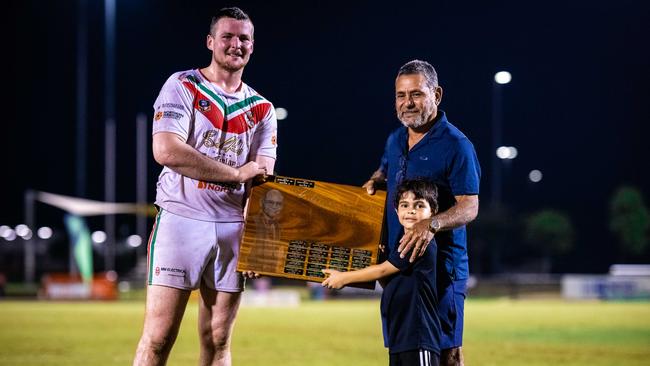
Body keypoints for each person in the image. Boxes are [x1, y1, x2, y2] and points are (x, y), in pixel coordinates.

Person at [133, 7, 277, 366]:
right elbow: (166, 149)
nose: (235, 44)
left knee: (218, 340)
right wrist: (234, 174)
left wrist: (257, 238)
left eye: (244, 38)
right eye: (227, 36)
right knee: (158, 338)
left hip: (232, 228)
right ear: (210, 42)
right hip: (181, 220)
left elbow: (261, 178)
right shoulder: (183, 85)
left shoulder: (262, 109)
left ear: (253, 46)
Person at [363, 60, 480, 366]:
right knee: (405, 352)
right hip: (399, 267)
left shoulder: (457, 145)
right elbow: (387, 171)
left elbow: (470, 205)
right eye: (400, 96)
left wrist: (433, 223)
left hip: (441, 272)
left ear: (437, 95)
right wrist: (376, 178)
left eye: (416, 94)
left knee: (446, 354)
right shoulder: (395, 139)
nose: (407, 103)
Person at [322, 178, 441, 366]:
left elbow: (383, 270)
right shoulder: (403, 239)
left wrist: (344, 278)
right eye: (405, 205)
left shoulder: (418, 241)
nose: (411, 210)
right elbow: (390, 279)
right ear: (396, 210)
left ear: (433, 212)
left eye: (419, 206)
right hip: (400, 336)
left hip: (418, 336)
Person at [249, 189, 284, 274]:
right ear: (262, 202)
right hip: (252, 271)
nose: (274, 207)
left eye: (278, 204)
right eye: (270, 202)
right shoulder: (252, 222)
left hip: (270, 273)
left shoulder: (278, 226)